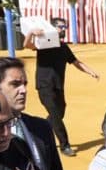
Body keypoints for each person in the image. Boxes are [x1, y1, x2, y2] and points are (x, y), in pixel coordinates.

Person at [23, 17, 99, 157]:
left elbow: (76, 62)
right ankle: (65, 146)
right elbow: (27, 45)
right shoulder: (44, 43)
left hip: (58, 86)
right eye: (60, 26)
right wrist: (31, 33)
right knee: (56, 116)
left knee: (59, 113)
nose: (63, 29)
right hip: (44, 85)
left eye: (65, 27)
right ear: (52, 28)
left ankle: (37, 131)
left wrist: (90, 71)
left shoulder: (64, 47)